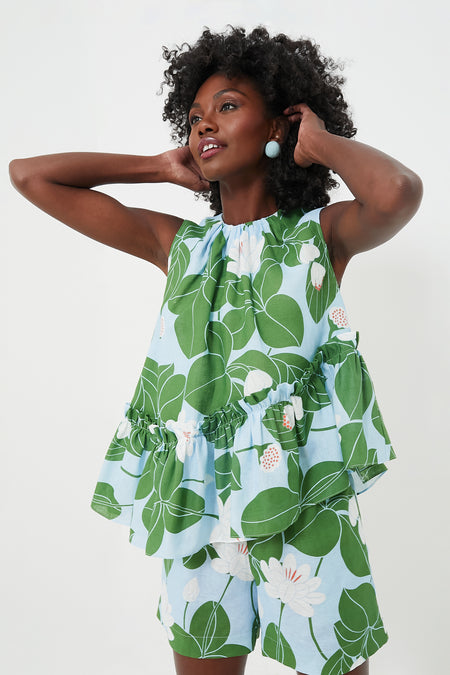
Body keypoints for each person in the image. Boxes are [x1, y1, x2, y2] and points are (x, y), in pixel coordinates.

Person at [9, 25, 422, 675]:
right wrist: (157, 166)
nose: (205, 123)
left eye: (228, 106)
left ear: (277, 125)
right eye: (196, 115)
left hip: (302, 494)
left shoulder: (319, 237)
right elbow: (29, 176)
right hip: (201, 505)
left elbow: (398, 191)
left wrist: (317, 143)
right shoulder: (180, 245)